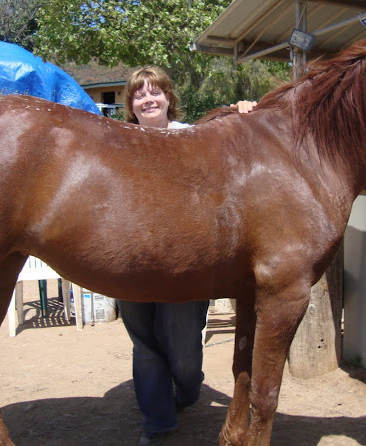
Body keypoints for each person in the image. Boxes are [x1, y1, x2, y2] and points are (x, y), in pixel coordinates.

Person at [118, 67, 255, 446]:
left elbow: (229, 153)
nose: (148, 99)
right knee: (145, 345)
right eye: (139, 94)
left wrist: (244, 113)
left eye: (155, 92)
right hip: (131, 261)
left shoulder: (191, 136)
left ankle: (188, 391)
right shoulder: (118, 141)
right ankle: (156, 423)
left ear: (167, 98)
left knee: (182, 353)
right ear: (130, 105)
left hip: (185, 263)